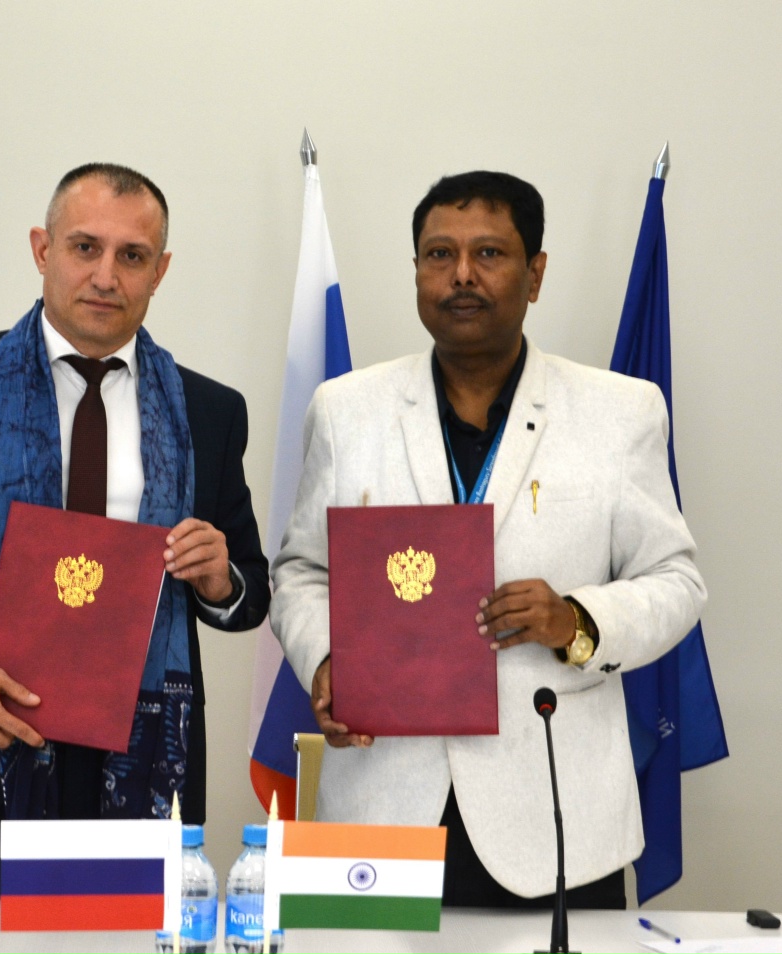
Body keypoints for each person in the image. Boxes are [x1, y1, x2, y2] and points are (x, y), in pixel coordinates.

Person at [270, 171, 706, 908]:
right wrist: (325, 659)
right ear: (417, 271)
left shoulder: (620, 412)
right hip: (379, 807)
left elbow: (676, 580)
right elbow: (301, 572)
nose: (462, 275)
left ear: (535, 274)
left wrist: (577, 620)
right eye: (439, 254)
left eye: (490, 254)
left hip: (558, 821)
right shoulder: (347, 410)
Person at [0, 163, 269, 898]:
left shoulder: (209, 410)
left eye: (132, 256)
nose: (106, 275)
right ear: (43, 250)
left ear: (160, 271)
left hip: (144, 774)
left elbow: (250, 590)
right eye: (85, 247)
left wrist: (219, 580)